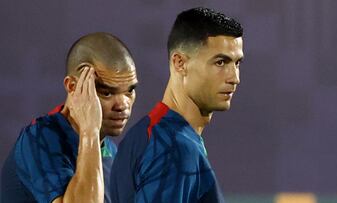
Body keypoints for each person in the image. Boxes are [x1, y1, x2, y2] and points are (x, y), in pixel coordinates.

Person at [110, 7, 244, 203]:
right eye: (221, 62)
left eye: (237, 63)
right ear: (180, 63)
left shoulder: (144, 136)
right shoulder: (175, 148)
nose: (234, 78)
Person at [1, 32, 138, 203]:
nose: (123, 105)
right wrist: (89, 130)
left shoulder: (110, 151)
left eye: (129, 91)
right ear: (73, 87)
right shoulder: (39, 138)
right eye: (107, 92)